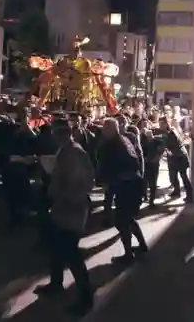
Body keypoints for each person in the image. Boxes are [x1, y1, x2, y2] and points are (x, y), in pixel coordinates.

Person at [35, 119, 95, 317]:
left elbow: (81, 183)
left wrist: (64, 197)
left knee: (72, 254)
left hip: (71, 208)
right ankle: (56, 283)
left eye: (55, 132)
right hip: (62, 206)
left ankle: (86, 298)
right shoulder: (65, 150)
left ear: (62, 133)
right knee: (55, 246)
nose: (52, 136)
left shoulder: (74, 153)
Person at [97, 118, 148, 264]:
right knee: (129, 218)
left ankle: (128, 255)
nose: (103, 131)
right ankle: (142, 245)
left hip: (127, 185)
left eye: (105, 128)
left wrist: (106, 180)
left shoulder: (114, 144)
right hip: (132, 183)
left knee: (122, 220)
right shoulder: (123, 140)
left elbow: (111, 165)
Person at [159, 116, 193, 203]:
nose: (161, 125)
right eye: (160, 123)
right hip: (174, 157)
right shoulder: (166, 132)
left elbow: (171, 144)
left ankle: (190, 195)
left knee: (183, 176)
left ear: (167, 123)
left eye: (162, 123)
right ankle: (176, 191)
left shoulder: (172, 132)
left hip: (179, 156)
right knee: (173, 176)